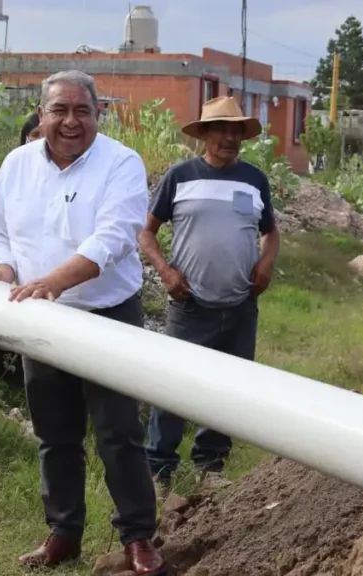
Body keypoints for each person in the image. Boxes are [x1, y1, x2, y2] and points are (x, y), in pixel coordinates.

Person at [0, 70, 165, 575]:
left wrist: (55, 280)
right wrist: (1, 268)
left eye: (82, 110)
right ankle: (64, 534)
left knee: (118, 432)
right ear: (41, 116)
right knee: (55, 433)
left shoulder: (121, 163)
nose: (70, 121)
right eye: (59, 110)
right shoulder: (17, 165)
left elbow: (114, 237)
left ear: (98, 116)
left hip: (107, 315)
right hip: (40, 318)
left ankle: (138, 538)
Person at [139, 95, 280, 497]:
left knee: (229, 387)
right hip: (189, 306)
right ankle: (160, 469)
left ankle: (210, 464)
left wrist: (266, 264)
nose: (229, 138)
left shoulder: (254, 180)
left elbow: (271, 231)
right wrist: (165, 271)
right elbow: (146, 233)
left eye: (236, 131)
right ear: (203, 134)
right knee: (172, 386)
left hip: (240, 306)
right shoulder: (180, 176)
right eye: (220, 129)